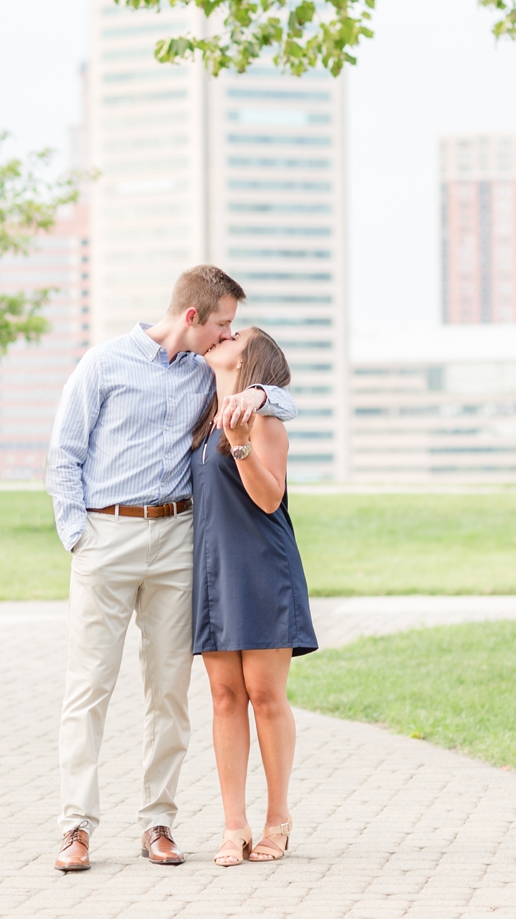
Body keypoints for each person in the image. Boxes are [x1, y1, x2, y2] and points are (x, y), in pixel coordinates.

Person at [44, 266, 297, 873]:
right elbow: (63, 453)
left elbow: (280, 392)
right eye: (223, 324)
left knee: (170, 692)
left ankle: (157, 822)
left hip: (179, 542)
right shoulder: (103, 363)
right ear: (193, 317)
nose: (225, 335)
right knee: (90, 687)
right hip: (107, 536)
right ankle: (76, 828)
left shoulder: (209, 377)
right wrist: (78, 535)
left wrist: (260, 394)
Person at [189, 326, 317, 867]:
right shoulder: (200, 418)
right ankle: (233, 824)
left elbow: (269, 498)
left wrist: (240, 443)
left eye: (236, 334)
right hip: (215, 570)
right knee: (223, 697)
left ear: (252, 359)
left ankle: (278, 819)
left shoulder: (264, 421)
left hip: (263, 567)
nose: (224, 335)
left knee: (265, 696)